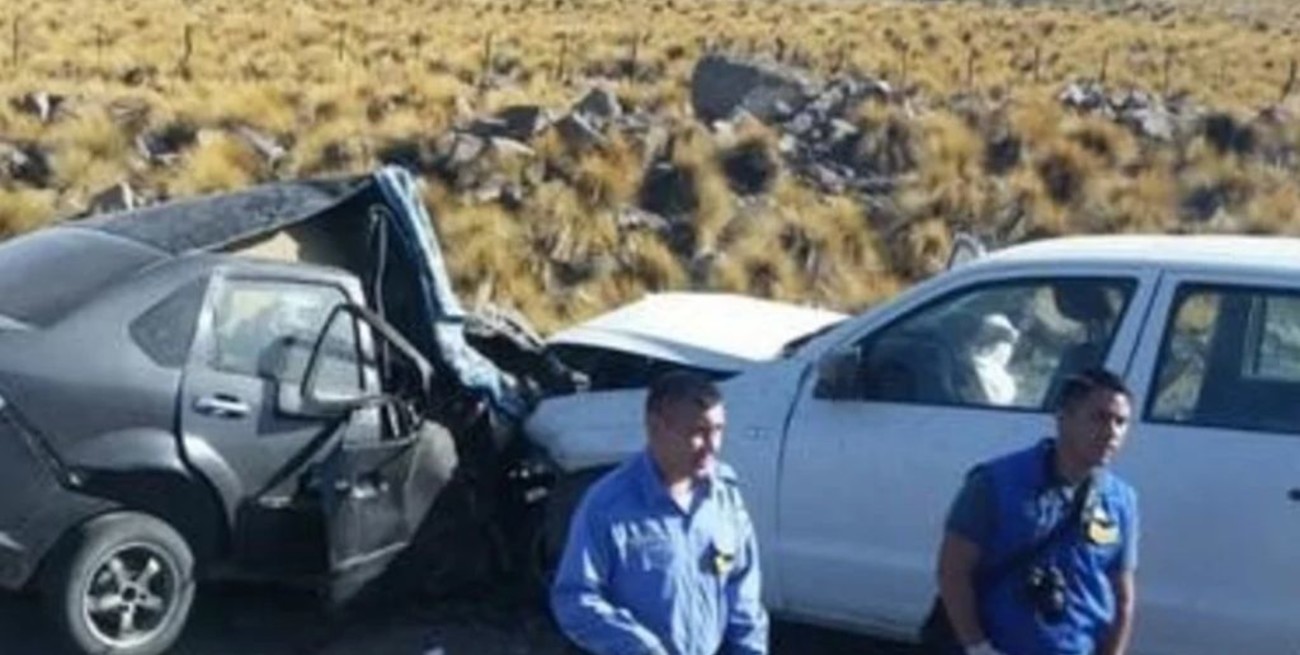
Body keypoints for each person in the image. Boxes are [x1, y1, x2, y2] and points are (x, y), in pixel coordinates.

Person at [550, 370, 768, 655]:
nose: (712, 446)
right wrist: (642, 648)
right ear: (655, 427)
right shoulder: (608, 506)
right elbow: (575, 599)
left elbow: (743, 592)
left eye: (717, 430)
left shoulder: (724, 497)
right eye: (697, 432)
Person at [934, 368, 1138, 655]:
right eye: (1099, 418)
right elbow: (953, 571)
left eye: (1121, 422)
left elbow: (1123, 598)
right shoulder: (996, 483)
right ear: (1063, 418)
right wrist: (978, 647)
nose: (1111, 432)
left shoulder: (1120, 500)